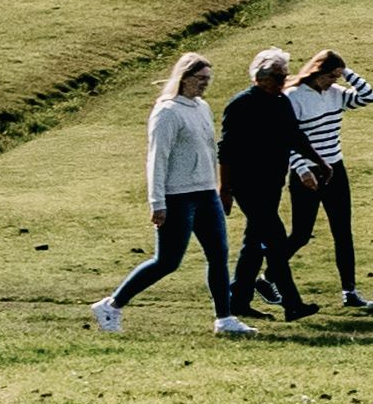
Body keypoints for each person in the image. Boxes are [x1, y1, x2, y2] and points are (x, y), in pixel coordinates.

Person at [92, 56, 225, 332]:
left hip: (205, 192)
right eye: (200, 78)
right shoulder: (167, 111)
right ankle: (112, 305)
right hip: (178, 196)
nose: (205, 84)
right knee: (167, 262)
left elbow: (209, 150)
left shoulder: (202, 107)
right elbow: (157, 159)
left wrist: (217, 185)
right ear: (185, 77)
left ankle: (224, 318)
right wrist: (157, 202)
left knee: (219, 255)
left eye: (208, 79)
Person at [215, 45, 316, 326]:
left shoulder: (281, 102)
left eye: (285, 77)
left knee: (253, 243)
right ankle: (292, 304)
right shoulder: (241, 105)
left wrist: (319, 161)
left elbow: (294, 136)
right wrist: (225, 189)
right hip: (248, 186)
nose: (284, 83)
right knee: (275, 240)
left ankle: (238, 301)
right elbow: (226, 149)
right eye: (278, 77)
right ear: (259, 77)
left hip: (273, 183)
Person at [280, 46, 373, 313]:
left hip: (335, 168)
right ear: (317, 71)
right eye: (330, 76)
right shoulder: (294, 96)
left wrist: (346, 72)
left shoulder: (336, 94)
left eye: (337, 77)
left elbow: (369, 96)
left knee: (342, 232)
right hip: (307, 172)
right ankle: (267, 276)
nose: (333, 82)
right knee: (300, 234)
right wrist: (302, 169)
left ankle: (350, 291)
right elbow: (287, 140)